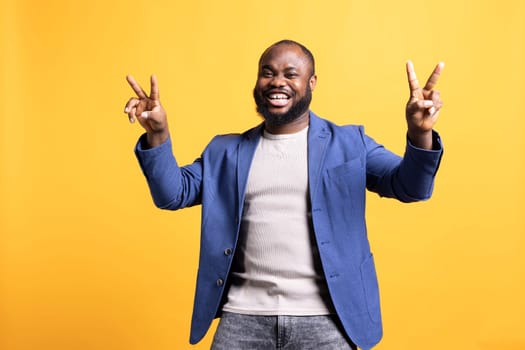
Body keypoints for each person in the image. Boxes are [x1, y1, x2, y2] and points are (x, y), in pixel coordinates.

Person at [123, 40, 444, 350]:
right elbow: (172, 194)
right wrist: (158, 134)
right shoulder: (225, 151)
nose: (277, 82)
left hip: (328, 322)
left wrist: (420, 133)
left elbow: (410, 187)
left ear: (312, 82)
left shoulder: (350, 144)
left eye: (291, 74)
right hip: (242, 319)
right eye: (268, 72)